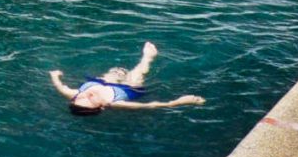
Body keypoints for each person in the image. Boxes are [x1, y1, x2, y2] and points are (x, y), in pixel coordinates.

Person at [49, 41, 205, 115]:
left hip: (104, 82)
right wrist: (178, 102)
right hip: (127, 90)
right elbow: (151, 105)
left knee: (113, 73)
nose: (89, 95)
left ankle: (116, 75)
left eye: (83, 96)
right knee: (137, 75)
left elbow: (61, 87)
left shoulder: (73, 94)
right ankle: (148, 57)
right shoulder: (116, 103)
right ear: (102, 107)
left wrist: (55, 76)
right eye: (91, 100)